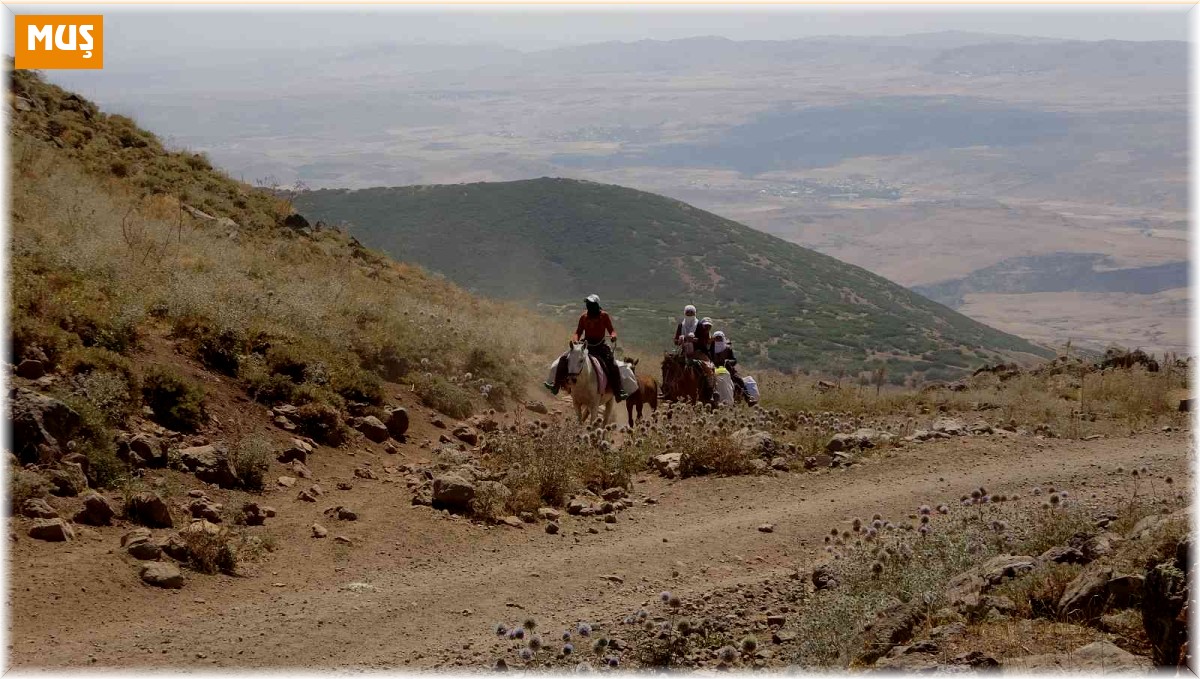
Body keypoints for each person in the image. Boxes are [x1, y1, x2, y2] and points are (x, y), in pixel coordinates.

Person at [545, 294, 627, 401]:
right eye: (587, 304)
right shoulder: (583, 317)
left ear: (596, 305)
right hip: (585, 346)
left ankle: (618, 391)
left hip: (600, 346)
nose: (588, 306)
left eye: (591, 304)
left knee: (613, 365)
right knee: (564, 359)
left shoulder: (604, 316)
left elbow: (612, 330)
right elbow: (578, 332)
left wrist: (613, 336)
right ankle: (556, 385)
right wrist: (575, 340)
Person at [708, 330, 748, 398]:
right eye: (716, 338)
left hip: (727, 368)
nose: (718, 339)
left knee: (738, 380)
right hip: (713, 369)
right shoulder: (710, 349)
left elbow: (734, 360)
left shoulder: (728, 349)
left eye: (719, 338)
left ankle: (748, 396)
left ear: (723, 338)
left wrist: (728, 361)